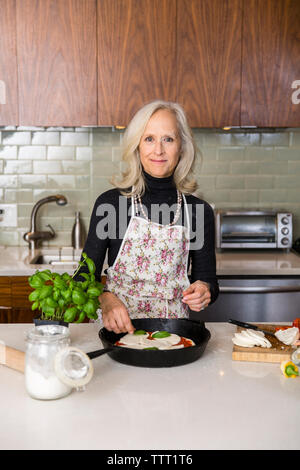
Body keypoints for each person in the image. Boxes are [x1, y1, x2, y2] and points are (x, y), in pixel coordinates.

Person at [76, 100, 219, 334]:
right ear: (137, 146)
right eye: (149, 138)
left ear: (182, 146)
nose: (159, 150)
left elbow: (208, 282)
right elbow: (82, 279)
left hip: (173, 334)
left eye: (168, 139)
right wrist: (105, 299)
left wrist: (204, 290)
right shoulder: (110, 205)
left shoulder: (199, 211)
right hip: (117, 334)